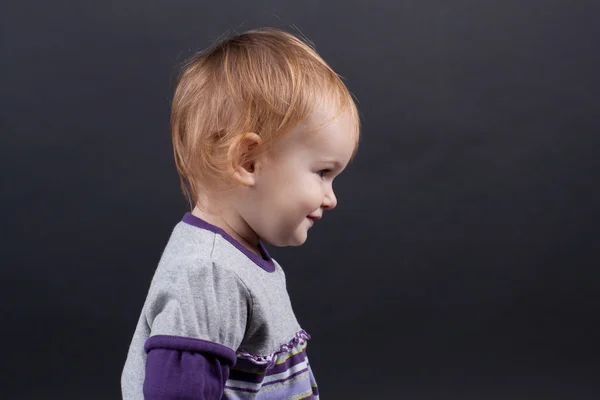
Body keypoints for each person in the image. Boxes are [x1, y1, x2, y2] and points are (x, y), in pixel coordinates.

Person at [121, 27, 361, 399]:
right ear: (248, 161)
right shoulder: (208, 274)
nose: (331, 198)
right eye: (322, 173)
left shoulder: (235, 262)